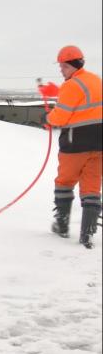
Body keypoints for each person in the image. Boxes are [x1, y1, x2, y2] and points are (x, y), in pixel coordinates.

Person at [45, 45, 102, 248]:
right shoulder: (96, 80)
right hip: (99, 144)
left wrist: (49, 117)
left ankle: (62, 226)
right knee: (92, 187)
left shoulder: (71, 85)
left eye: (63, 66)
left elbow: (60, 116)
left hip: (75, 142)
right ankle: (87, 234)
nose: (61, 70)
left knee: (65, 182)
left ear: (72, 65)